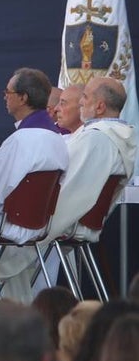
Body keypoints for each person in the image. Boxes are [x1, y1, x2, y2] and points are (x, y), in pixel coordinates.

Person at [0, 68, 68, 301]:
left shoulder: (21, 141)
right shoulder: (57, 140)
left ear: (23, 98)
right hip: (34, 233)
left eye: (8, 92)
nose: (4, 97)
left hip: (4, 235)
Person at [46, 76, 136, 246]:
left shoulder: (95, 139)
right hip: (82, 227)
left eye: (85, 97)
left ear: (100, 107)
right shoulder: (118, 136)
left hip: (63, 226)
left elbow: (67, 191)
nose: (80, 102)